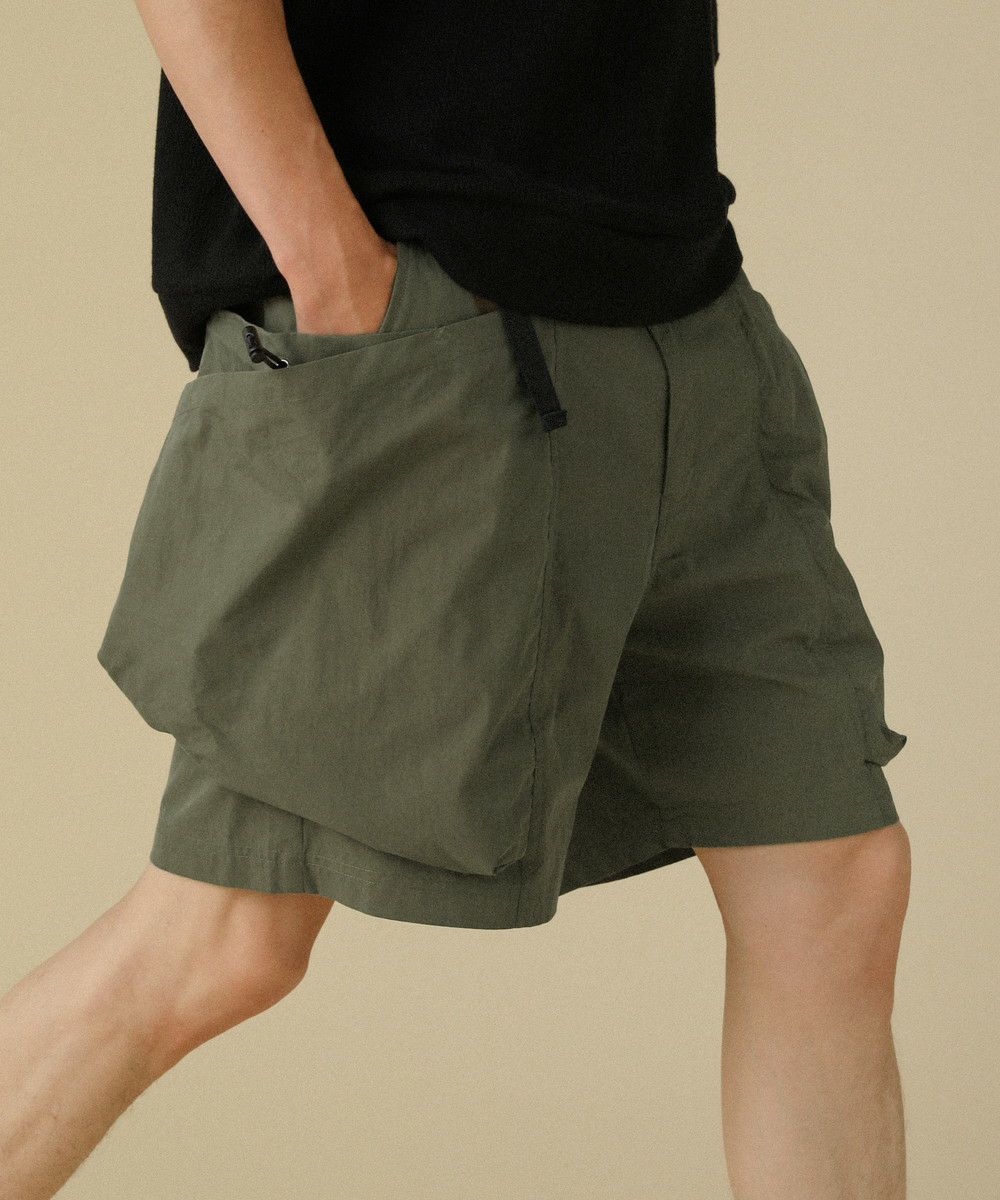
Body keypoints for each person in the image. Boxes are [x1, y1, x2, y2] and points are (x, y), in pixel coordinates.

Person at [0, 1, 912, 1197]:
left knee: (830, 880)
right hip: (434, 330)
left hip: (688, 313)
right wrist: (337, 272)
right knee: (225, 936)